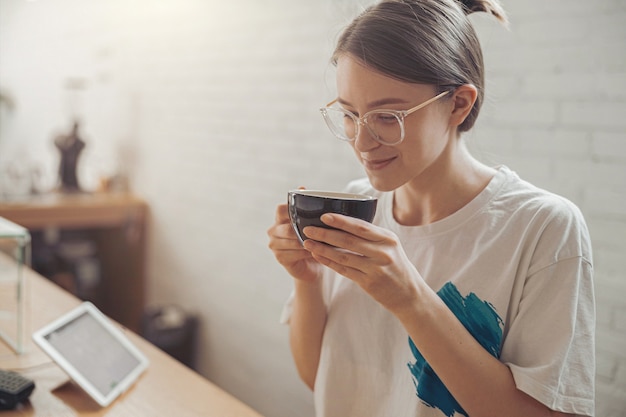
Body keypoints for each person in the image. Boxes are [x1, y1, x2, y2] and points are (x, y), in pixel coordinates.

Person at [267, 0, 595, 416]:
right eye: (350, 114)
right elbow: (320, 378)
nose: (362, 142)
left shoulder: (540, 227)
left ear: (458, 104)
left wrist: (410, 299)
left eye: (387, 116)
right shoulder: (355, 211)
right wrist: (308, 280)